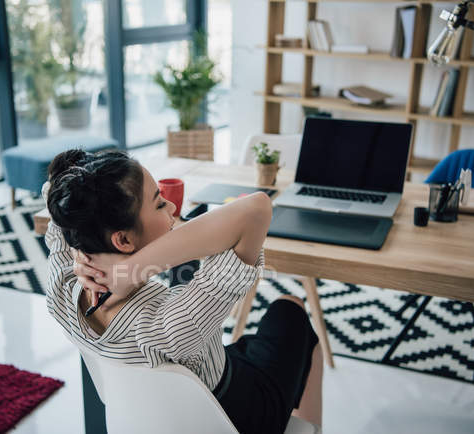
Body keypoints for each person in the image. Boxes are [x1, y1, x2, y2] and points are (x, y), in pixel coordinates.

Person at [44, 149, 323, 434]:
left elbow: (54, 192)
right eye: (158, 204)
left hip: (154, 415)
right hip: (236, 414)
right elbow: (256, 210)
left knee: (249, 342)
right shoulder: (172, 324)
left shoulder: (61, 287)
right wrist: (131, 271)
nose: (171, 207)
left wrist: (82, 251)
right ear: (124, 239)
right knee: (289, 309)